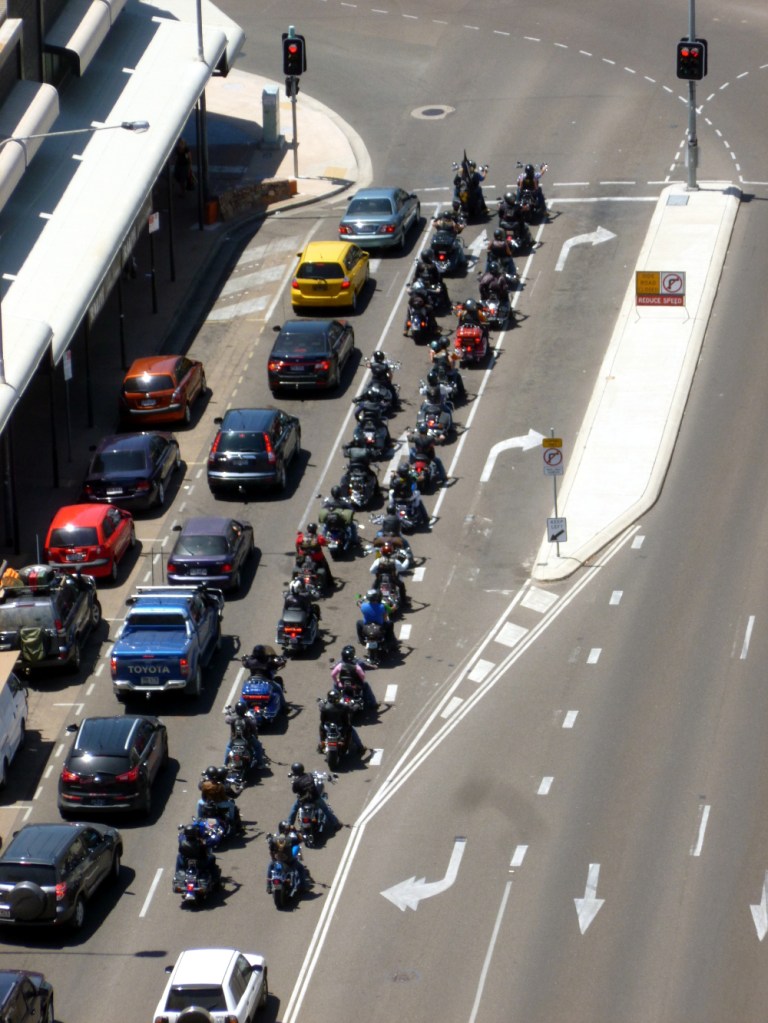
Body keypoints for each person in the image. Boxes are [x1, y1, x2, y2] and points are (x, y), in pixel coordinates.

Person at [287, 762, 340, 829]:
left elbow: (294, 791)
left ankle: (288, 825)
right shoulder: (309, 775)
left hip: (303, 800)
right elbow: (314, 779)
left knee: (294, 809)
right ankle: (335, 823)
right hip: (315, 798)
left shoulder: (296, 782)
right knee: (325, 809)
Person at [318, 689, 366, 757]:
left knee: (321, 727)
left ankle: (321, 743)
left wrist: (320, 701)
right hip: (341, 727)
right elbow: (352, 709)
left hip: (328, 727)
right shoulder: (344, 707)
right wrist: (357, 705)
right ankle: (360, 747)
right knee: (351, 730)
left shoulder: (324, 707)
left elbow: (322, 719)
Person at [331, 644, 377, 710]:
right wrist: (361, 682)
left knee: (335, 685)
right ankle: (373, 704)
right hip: (356, 685)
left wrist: (338, 682)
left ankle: (333, 700)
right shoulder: (357, 665)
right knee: (366, 685)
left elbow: (333, 674)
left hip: (342, 685)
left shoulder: (340, 664)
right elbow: (363, 676)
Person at [197, 764, 243, 830]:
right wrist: (241, 788)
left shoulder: (205, 784)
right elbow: (233, 796)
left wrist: (202, 780)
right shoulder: (222, 785)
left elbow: (200, 788)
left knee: (199, 802)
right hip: (219, 804)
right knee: (232, 805)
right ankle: (231, 821)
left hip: (207, 803)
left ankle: (199, 818)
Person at [266, 825, 311, 890]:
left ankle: (268, 886)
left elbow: (270, 849)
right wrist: (295, 831)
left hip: (277, 861)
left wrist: (273, 859)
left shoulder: (275, 839)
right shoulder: (290, 839)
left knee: (270, 867)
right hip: (288, 862)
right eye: (287, 829)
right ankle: (303, 888)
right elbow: (300, 839)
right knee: (301, 869)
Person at [224, 700, 265, 767]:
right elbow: (254, 729)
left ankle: (225, 764)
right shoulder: (248, 720)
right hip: (247, 739)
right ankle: (260, 764)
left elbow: (226, 719)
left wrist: (228, 713)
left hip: (234, 740)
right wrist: (256, 736)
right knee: (258, 747)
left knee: (228, 747)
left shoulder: (231, 719)